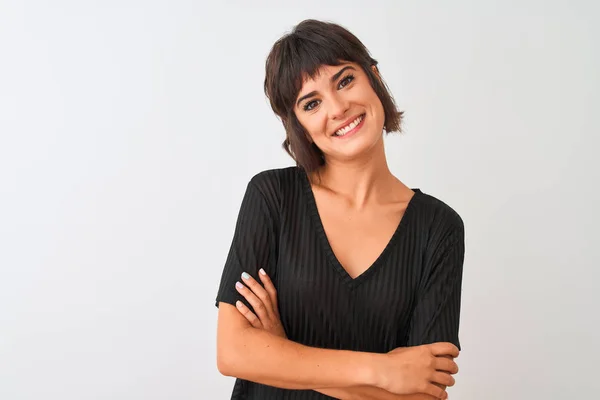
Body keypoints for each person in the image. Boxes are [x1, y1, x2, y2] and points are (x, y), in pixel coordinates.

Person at [215, 19, 465, 400]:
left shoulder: (438, 228)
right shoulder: (272, 197)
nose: (338, 108)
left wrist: (282, 353)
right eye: (311, 103)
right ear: (296, 124)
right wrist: (382, 370)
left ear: (374, 77)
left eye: (345, 80)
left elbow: (422, 395)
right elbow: (233, 352)